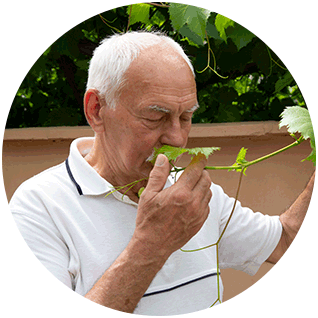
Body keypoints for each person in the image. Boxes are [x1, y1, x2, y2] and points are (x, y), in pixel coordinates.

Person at [9, 31, 314, 315]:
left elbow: (286, 239)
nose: (179, 139)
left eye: (186, 116)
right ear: (96, 110)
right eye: (156, 117)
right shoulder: (38, 207)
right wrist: (153, 243)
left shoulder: (188, 193)